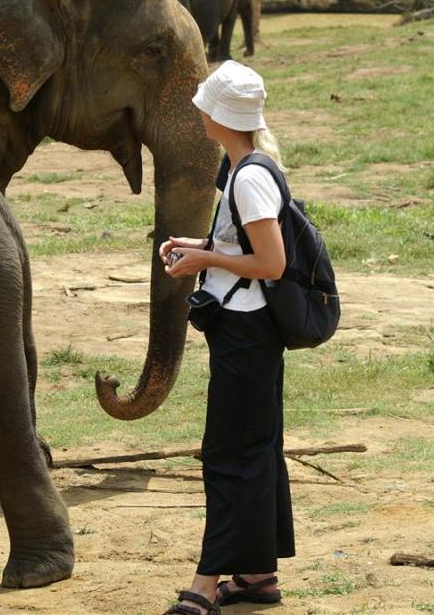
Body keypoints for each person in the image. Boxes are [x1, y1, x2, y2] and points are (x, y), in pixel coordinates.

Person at [158, 60, 295, 615]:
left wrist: (205, 257)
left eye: (205, 106)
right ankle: (258, 576)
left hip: (246, 333)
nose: (200, 114)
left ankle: (208, 581)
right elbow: (248, 247)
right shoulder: (244, 169)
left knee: (228, 454)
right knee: (255, 449)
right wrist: (203, 244)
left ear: (220, 115)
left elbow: (272, 262)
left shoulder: (250, 176)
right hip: (246, 328)